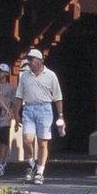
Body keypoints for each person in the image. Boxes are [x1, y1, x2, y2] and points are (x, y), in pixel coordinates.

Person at [17, 48, 65, 184]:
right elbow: (19, 96)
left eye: (32, 59)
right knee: (27, 139)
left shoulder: (51, 75)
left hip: (45, 108)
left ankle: (39, 171)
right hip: (29, 108)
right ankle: (32, 163)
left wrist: (60, 115)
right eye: (29, 60)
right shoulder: (25, 75)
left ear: (39, 60)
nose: (30, 62)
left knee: (42, 142)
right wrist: (16, 113)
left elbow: (57, 97)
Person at [0, 63, 23, 178]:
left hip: (4, 117)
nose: (0, 73)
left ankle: (1, 163)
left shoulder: (11, 88)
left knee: (3, 140)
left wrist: (13, 115)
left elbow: (14, 103)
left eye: (2, 71)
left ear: (6, 74)